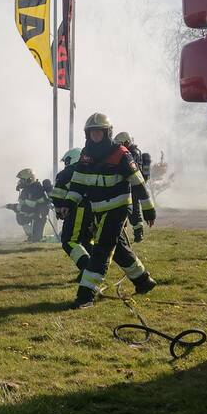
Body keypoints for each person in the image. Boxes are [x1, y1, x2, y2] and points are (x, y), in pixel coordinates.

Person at [61, 113, 157, 308]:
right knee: (119, 249)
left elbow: (138, 184)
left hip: (117, 209)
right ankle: (143, 281)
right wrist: (69, 203)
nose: (96, 135)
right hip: (98, 211)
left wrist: (149, 210)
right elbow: (78, 182)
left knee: (102, 250)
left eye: (99, 132)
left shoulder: (121, 153)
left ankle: (85, 296)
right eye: (92, 132)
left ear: (107, 133)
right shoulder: (86, 154)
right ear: (88, 134)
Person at [50, 147, 94, 272]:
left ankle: (87, 267)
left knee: (69, 241)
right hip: (94, 208)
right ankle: (94, 269)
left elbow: (58, 196)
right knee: (86, 240)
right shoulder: (90, 169)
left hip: (78, 209)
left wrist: (59, 211)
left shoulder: (66, 173)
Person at [114, 131, 147, 243]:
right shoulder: (128, 151)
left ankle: (138, 233)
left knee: (134, 210)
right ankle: (125, 233)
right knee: (127, 209)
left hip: (134, 184)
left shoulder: (133, 152)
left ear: (127, 142)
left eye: (121, 144)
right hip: (128, 184)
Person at [10, 168, 50, 243]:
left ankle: (38, 236)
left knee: (36, 240)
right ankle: (31, 235)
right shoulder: (25, 190)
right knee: (20, 215)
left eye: (22, 180)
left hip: (39, 216)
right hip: (31, 214)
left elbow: (36, 207)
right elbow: (22, 205)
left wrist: (16, 207)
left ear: (29, 180)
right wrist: (14, 207)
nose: (20, 182)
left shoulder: (37, 189)